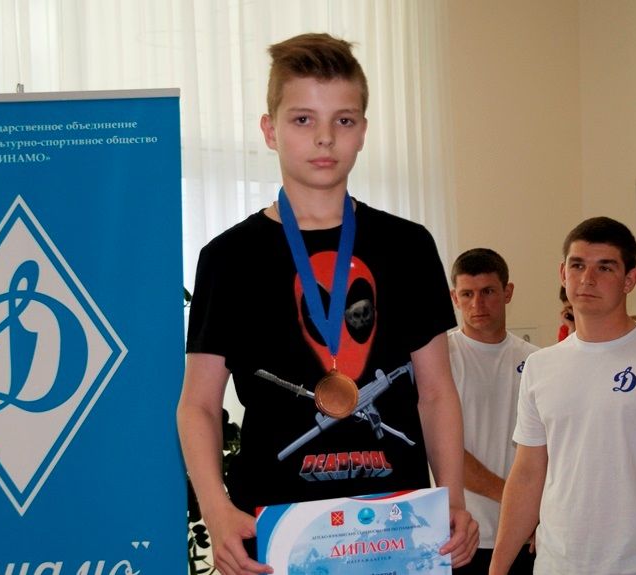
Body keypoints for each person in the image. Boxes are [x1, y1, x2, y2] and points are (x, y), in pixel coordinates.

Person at [177, 33, 478, 575]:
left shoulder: (408, 246)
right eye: (302, 119)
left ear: (362, 130)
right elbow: (198, 404)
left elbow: (435, 391)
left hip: (397, 531)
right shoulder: (228, 258)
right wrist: (217, 511)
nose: (324, 137)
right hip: (275, 535)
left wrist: (452, 497)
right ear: (270, 130)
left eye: (343, 119)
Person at [491, 217, 636, 575]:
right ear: (562, 273)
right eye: (578, 265)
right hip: (557, 565)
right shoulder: (540, 365)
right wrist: (497, 567)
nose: (587, 278)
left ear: (630, 279)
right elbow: (527, 475)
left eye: (605, 267)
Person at [447, 248, 539, 574]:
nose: (477, 304)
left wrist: (536, 514)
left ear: (507, 292)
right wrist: (518, 500)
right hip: (463, 536)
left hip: (525, 534)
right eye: (467, 294)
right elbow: (444, 451)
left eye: (487, 292)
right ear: (454, 298)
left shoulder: (537, 361)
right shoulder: (441, 360)